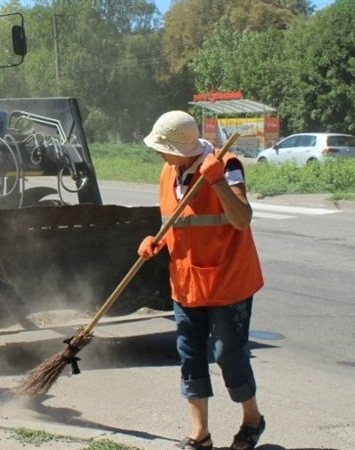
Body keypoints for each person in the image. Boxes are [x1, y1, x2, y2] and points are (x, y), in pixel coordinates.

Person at [137, 111, 265, 450]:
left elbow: (242, 219)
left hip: (227, 282)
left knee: (228, 355)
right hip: (185, 283)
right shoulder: (168, 172)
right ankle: (200, 434)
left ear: (182, 148)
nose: (159, 154)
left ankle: (252, 419)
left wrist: (218, 182)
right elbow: (177, 223)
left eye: (163, 148)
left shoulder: (227, 164)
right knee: (190, 356)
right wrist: (156, 241)